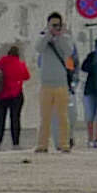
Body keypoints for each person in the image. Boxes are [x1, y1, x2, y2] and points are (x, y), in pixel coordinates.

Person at [34, 11, 78, 153]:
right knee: (44, 117)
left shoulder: (65, 38)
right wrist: (48, 35)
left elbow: (69, 51)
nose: (56, 28)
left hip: (61, 83)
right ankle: (42, 145)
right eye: (53, 25)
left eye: (58, 25)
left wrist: (60, 36)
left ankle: (64, 144)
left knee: (63, 117)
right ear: (48, 25)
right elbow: (38, 48)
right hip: (46, 83)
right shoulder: (43, 38)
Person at [0, 40, 29, 149]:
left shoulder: (3, 61)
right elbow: (26, 76)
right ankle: (15, 143)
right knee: (15, 119)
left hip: (2, 95)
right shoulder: (20, 64)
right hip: (16, 95)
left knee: (0, 119)